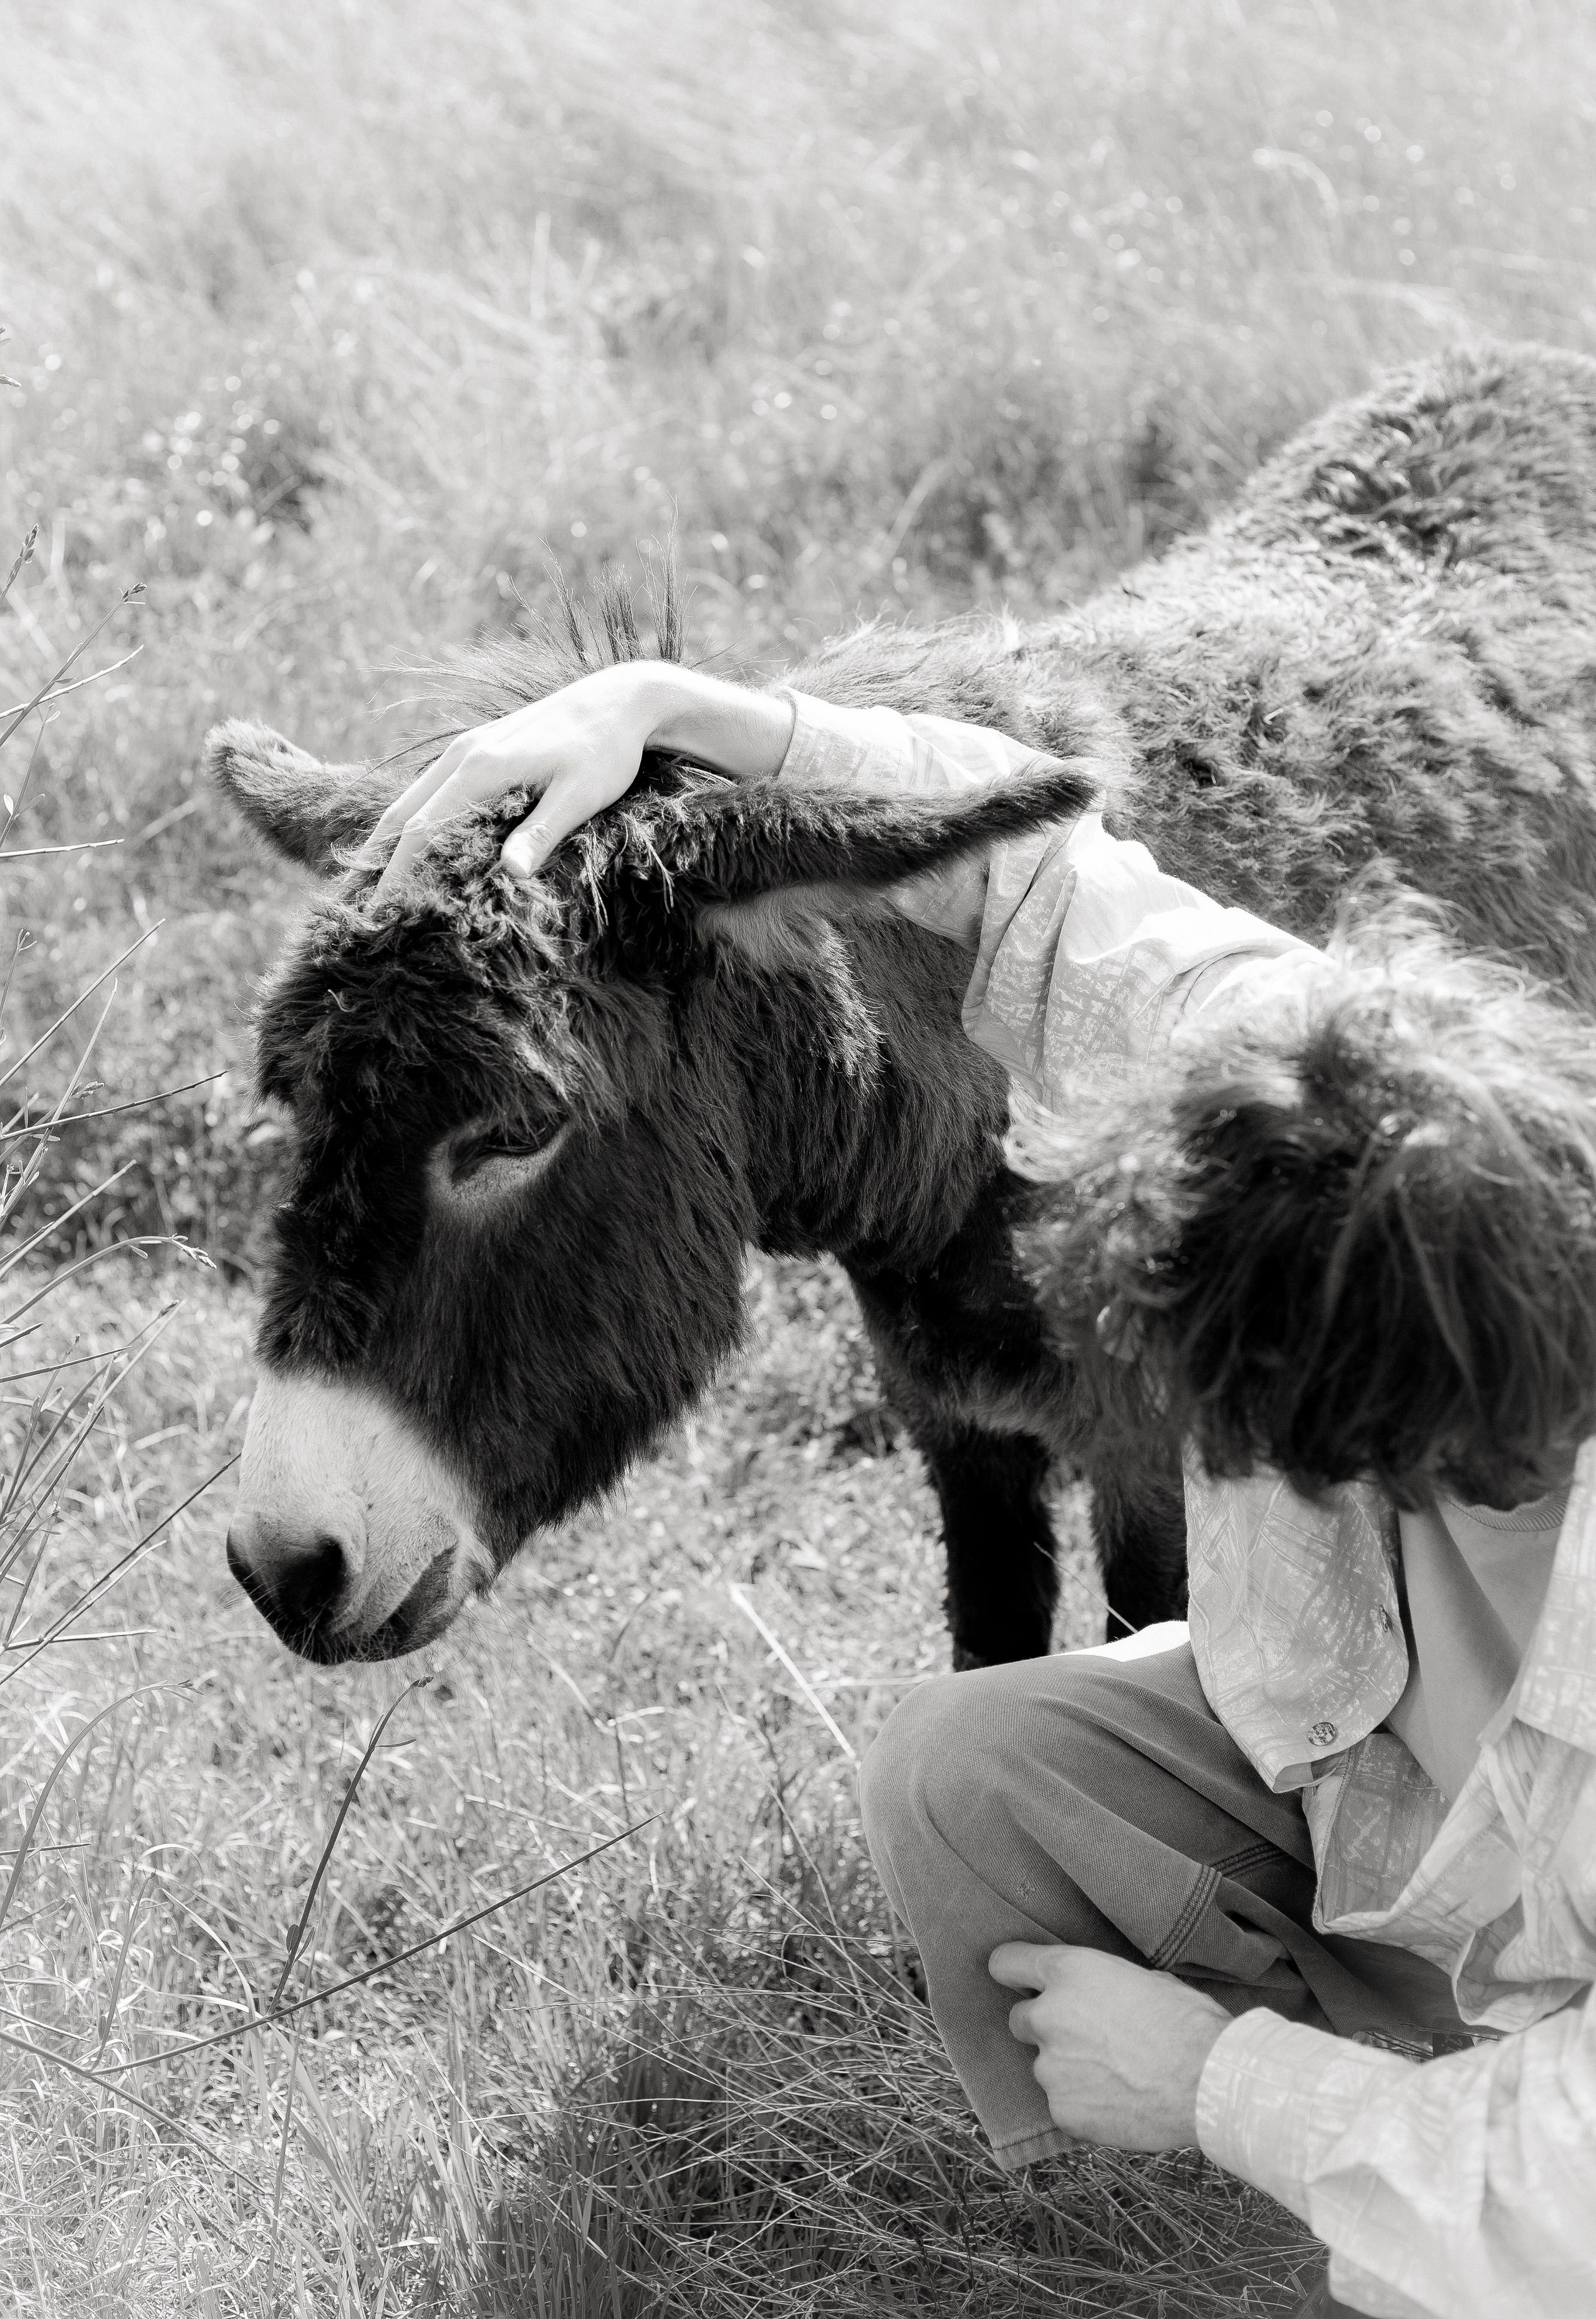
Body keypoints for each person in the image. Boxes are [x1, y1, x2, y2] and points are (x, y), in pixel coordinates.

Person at [362, 657, 1596, 2319]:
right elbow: (1045, 887)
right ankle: (1223, 2224)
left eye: (1243, 1430)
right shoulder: (1343, 1104)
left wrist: (1220, 2082)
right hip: (1417, 1831)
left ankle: (1354, 2181)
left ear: (1408, 1436)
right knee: (965, 1767)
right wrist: (663, 712)